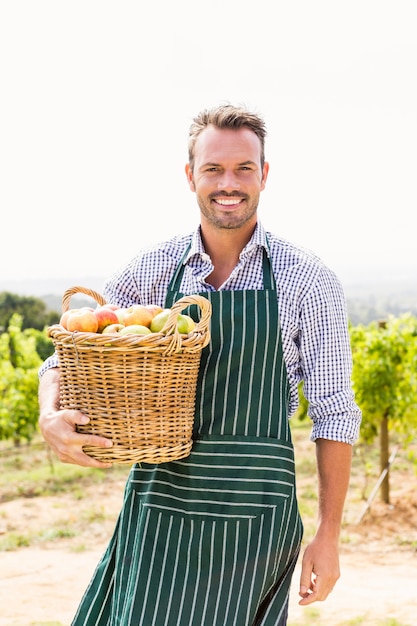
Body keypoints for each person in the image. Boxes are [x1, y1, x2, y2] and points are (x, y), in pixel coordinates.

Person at [38, 103, 361, 626]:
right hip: (161, 515)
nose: (228, 183)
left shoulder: (307, 279)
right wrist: (48, 412)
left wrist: (329, 535)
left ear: (264, 175)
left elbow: (336, 413)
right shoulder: (153, 268)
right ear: (191, 176)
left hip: (254, 523)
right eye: (213, 169)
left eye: (243, 169)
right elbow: (67, 354)